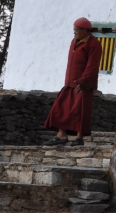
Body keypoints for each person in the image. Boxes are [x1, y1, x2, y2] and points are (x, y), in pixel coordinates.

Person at [44, 18, 103, 146]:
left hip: (83, 84)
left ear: (84, 30)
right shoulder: (74, 42)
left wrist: (83, 81)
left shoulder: (94, 44)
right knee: (60, 107)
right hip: (70, 82)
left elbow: (92, 66)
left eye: (76, 30)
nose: (74, 33)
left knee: (80, 111)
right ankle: (61, 135)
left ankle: (79, 138)